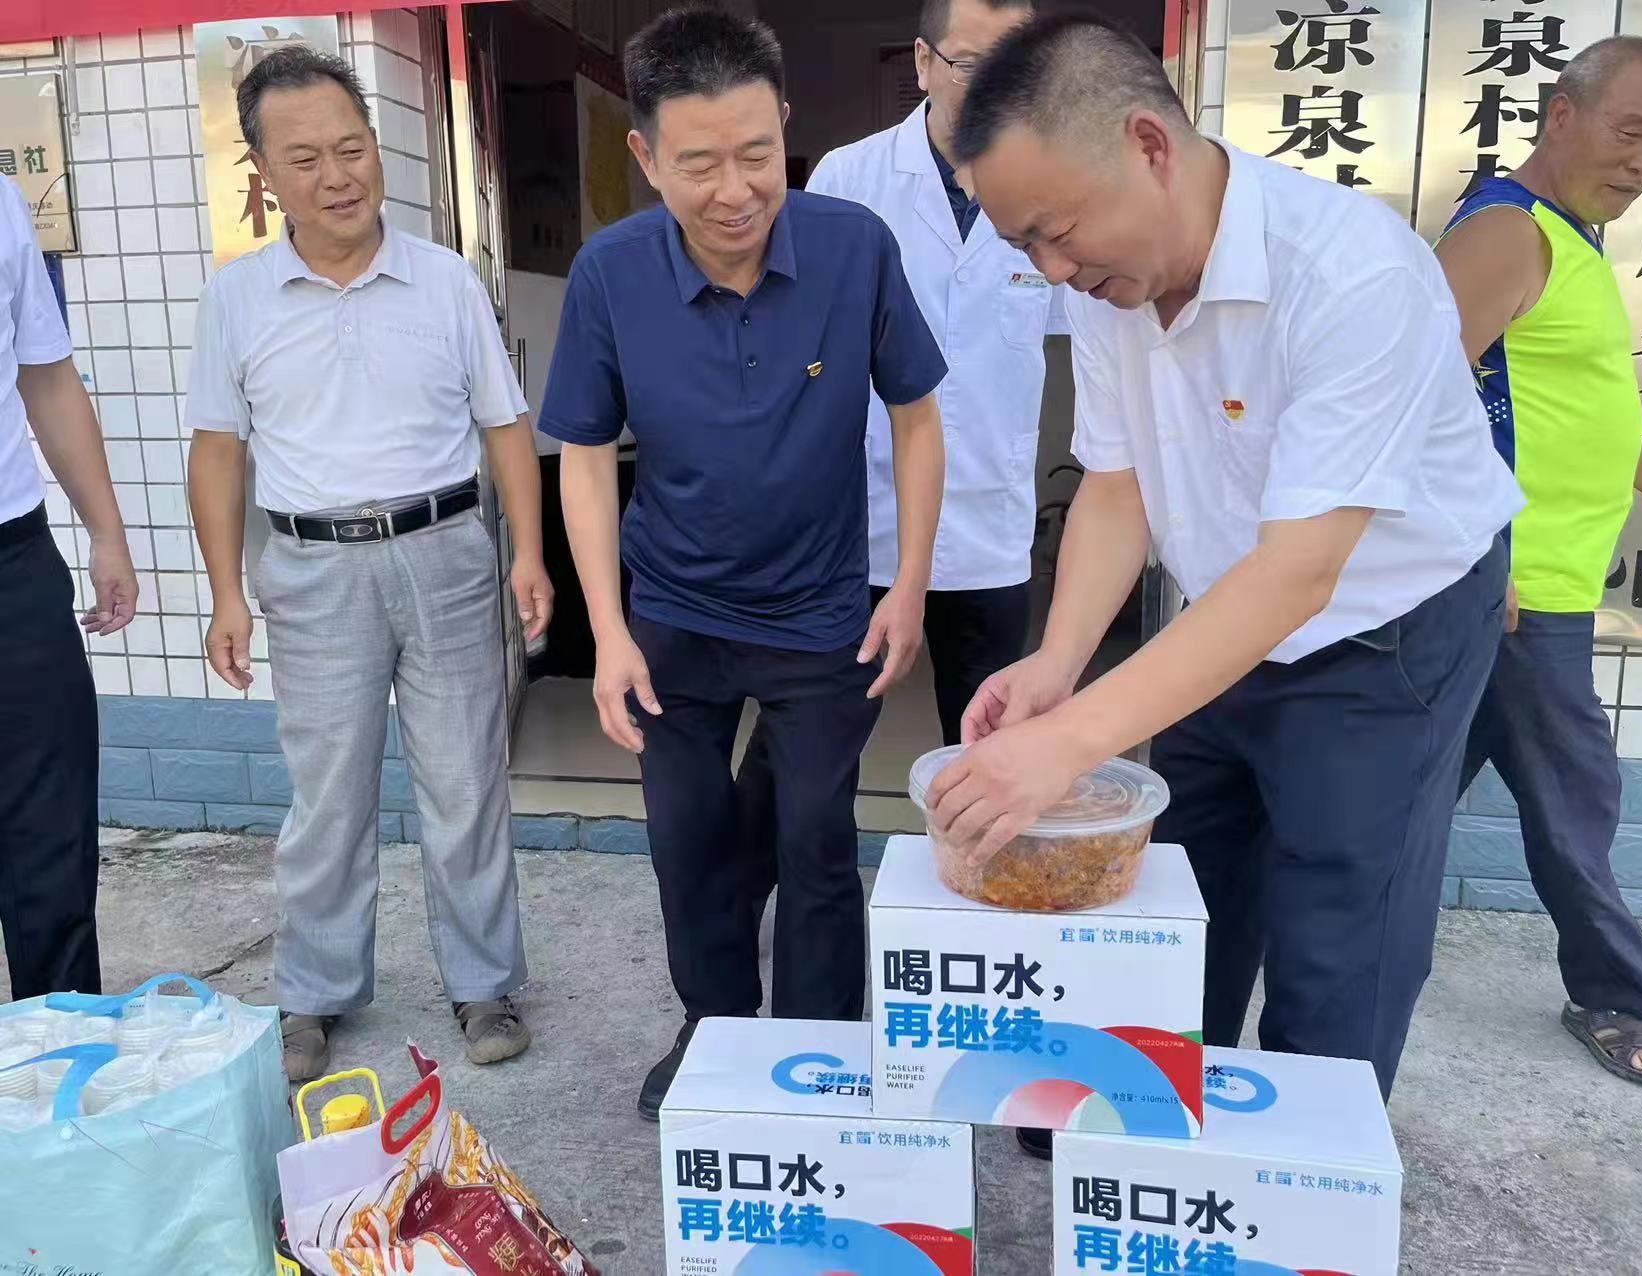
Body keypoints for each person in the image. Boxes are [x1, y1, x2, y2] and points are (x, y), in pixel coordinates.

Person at [931, 14, 1523, 1156]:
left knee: (1338, 920)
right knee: (1179, 889)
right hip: (1222, 611)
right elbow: (1116, 487)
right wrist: (1058, 666)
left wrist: (1064, 746)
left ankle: (1296, 1167)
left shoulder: (1351, 272)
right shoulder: (1107, 284)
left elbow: (1300, 573)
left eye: (1056, 232)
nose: (1052, 270)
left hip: (1385, 628)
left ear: (1149, 144)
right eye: (1024, 247)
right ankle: (1142, 1114)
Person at [540, 6, 946, 1120]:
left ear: (786, 127)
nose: (736, 191)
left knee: (816, 838)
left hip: (822, 613)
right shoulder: (610, 273)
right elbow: (584, 457)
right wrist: (608, 631)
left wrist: (908, 583)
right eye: (700, 164)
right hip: (672, 614)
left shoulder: (855, 249)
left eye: (758, 154)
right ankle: (714, 1027)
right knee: (687, 840)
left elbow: (917, 418)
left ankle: (818, 1052)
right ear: (645, 157)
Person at [185, 47, 550, 1081]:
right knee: (327, 796)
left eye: (352, 148)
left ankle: (484, 983)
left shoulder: (444, 281)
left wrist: (527, 553)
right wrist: (224, 593)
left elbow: (505, 426)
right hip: (311, 569)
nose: (337, 176)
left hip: (446, 553)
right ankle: (313, 992)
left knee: (466, 781)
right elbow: (217, 451)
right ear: (265, 173)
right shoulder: (238, 299)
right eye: (305, 159)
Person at [735, 0, 1060, 912]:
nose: (996, 86)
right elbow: (796, 341)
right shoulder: (851, 177)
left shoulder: (1053, 180)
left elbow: (1099, 329)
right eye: (972, 63)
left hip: (990, 527)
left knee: (991, 747)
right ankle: (744, 905)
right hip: (861, 525)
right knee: (805, 743)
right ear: (922, 62)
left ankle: (988, 924)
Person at [1436, 35, 1642, 1087]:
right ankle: (1617, 995)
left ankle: (1253, 927)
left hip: (1536, 591)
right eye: (1629, 132)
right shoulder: (1506, 233)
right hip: (1515, 593)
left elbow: (1585, 413)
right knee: (1575, 798)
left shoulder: (1568, 242)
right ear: (1561, 114)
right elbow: (1410, 403)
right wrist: (1474, 554)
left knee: (1398, 798)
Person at [0, 174, 136, 1000]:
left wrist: (105, 530)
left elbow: (47, 378)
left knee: (49, 838)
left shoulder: (0, 204)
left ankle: (60, 1047)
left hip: (12, 558)